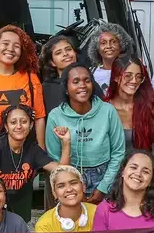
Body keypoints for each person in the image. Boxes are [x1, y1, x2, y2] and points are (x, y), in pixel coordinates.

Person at [45, 63, 126, 204]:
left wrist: (103, 187)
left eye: (87, 80)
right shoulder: (55, 116)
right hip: (71, 176)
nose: (82, 85)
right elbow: (54, 157)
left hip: (105, 175)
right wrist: (73, 187)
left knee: (103, 222)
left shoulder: (108, 111)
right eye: (75, 82)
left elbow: (118, 152)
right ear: (66, 88)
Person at [0, 105, 70, 220]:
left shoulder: (32, 149)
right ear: (6, 127)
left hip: (21, 214)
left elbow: (62, 171)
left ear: (31, 125)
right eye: (13, 122)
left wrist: (66, 142)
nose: (19, 126)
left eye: (24, 122)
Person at [0, 25, 45, 146]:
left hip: (24, 149)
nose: (11, 49)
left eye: (17, 46)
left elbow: (39, 118)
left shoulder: (31, 79)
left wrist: (41, 151)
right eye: (5, 43)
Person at [105, 56, 154, 160]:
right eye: (128, 76)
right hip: (115, 169)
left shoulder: (152, 105)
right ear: (116, 77)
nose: (134, 81)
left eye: (139, 76)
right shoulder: (104, 108)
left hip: (150, 167)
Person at [33, 165, 98, 233]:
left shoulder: (99, 213)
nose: (69, 189)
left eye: (73, 183)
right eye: (61, 186)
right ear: (54, 193)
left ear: (83, 187)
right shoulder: (44, 224)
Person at [83, 22, 135, 96]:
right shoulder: (90, 73)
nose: (108, 46)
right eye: (103, 43)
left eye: (113, 42)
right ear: (97, 48)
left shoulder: (133, 72)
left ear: (122, 46)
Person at [38, 34, 78, 116]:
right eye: (58, 53)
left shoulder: (88, 81)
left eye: (68, 49)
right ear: (52, 62)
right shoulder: (45, 89)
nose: (65, 54)